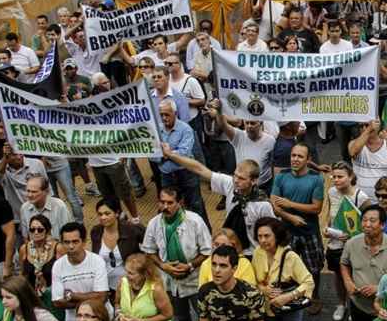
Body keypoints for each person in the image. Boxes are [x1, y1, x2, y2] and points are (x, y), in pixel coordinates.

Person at [142, 187, 212, 321]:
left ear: (180, 203)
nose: (165, 206)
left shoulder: (195, 222)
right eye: (162, 202)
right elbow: (149, 251)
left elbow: (207, 251)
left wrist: (189, 265)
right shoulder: (154, 224)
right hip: (170, 282)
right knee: (180, 318)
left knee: (204, 316)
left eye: (170, 203)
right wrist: (163, 266)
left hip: (196, 280)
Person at [162, 146, 275, 257]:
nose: (236, 181)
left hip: (252, 253)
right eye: (235, 175)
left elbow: (271, 233)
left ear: (254, 181)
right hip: (228, 246)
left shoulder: (263, 205)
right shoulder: (230, 184)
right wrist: (171, 155)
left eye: (241, 178)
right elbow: (199, 169)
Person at [271, 143, 325, 315]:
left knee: (314, 268)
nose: (295, 159)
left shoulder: (316, 179)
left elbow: (316, 208)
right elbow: (274, 205)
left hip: (310, 232)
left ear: (308, 160)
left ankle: (314, 296)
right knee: (287, 267)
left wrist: (289, 204)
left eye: (300, 156)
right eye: (293, 155)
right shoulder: (281, 176)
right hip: (286, 232)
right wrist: (291, 217)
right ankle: (291, 295)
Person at [324, 162, 370, 321]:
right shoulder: (331, 192)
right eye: (334, 176)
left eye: (340, 176)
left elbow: (368, 224)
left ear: (351, 177)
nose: (336, 180)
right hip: (335, 244)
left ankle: (355, 306)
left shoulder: (361, 197)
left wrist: (352, 236)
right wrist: (328, 229)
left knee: (355, 276)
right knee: (338, 275)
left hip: (355, 246)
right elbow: (332, 215)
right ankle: (341, 304)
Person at [154, 99, 211, 229]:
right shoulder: (156, 130)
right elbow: (152, 155)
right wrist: (168, 154)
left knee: (196, 205)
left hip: (186, 173)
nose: (164, 118)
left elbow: (184, 153)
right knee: (167, 206)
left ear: (175, 113)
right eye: (161, 114)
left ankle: (206, 232)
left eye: (167, 114)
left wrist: (166, 153)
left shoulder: (186, 129)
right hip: (166, 174)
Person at [51, 222, 110, 321]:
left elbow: (102, 297)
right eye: (67, 242)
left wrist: (73, 296)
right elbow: (57, 302)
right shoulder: (58, 266)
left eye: (75, 241)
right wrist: (91, 298)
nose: (71, 246)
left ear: (84, 242)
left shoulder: (97, 261)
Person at [90, 198, 145, 299]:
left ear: (117, 213)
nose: (103, 217)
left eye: (107, 213)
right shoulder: (96, 232)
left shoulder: (132, 229)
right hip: (107, 287)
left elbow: (150, 247)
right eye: (100, 214)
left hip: (132, 285)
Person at [19, 215, 66, 321]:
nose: (36, 232)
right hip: (33, 298)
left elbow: (65, 274)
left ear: (47, 231)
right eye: (32, 229)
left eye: (40, 229)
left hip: (53, 298)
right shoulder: (24, 249)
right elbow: (23, 274)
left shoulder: (58, 248)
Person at [349, 120, 387, 200]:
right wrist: (369, 129)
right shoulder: (353, 144)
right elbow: (352, 152)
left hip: (382, 201)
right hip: (358, 200)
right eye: (361, 126)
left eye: (367, 125)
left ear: (377, 125)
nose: (364, 128)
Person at [20, 175, 71, 243]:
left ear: (46, 191)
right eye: (28, 191)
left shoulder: (59, 206)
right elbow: (26, 237)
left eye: (34, 192)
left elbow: (68, 233)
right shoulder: (24, 208)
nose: (30, 195)